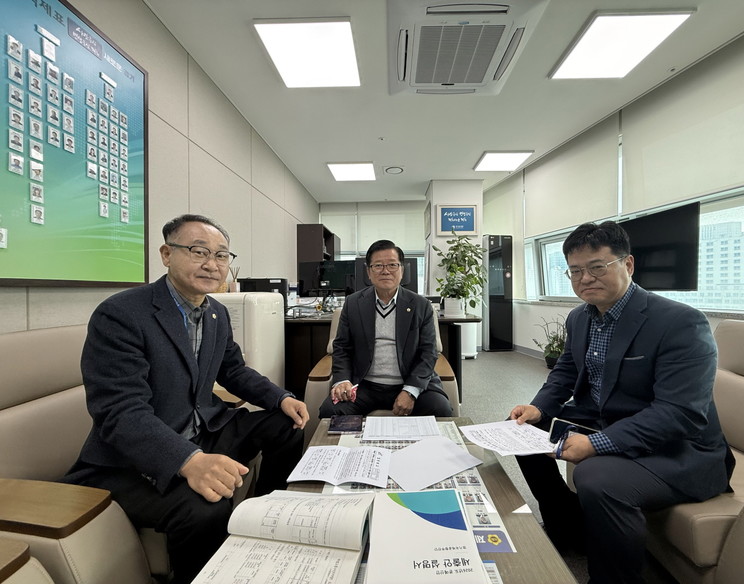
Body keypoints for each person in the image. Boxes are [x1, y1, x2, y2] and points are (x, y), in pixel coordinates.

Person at [63, 214, 309, 584]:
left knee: (286, 425)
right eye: (199, 251)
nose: (212, 264)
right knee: (205, 508)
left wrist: (280, 397)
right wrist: (188, 460)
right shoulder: (121, 314)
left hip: (203, 429)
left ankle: (263, 517)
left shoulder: (216, 312)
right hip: (132, 458)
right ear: (166, 254)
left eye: (221, 255)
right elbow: (120, 411)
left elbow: (233, 370)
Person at [509, 221, 734, 584]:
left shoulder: (680, 323)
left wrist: (596, 444)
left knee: (594, 477)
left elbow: (680, 414)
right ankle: (569, 530)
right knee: (522, 431)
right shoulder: (579, 317)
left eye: (597, 267)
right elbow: (567, 370)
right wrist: (539, 408)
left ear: (627, 264)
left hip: (678, 448)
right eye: (575, 271)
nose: (585, 279)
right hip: (605, 420)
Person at [319, 239, 452, 418]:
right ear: (369, 272)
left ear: (402, 270)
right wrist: (342, 379)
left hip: (408, 381)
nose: (385, 271)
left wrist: (411, 390)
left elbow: (428, 352)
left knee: (440, 409)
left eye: (392, 265)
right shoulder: (353, 304)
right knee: (330, 412)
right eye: (378, 265)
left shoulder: (421, 305)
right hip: (365, 385)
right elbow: (342, 347)